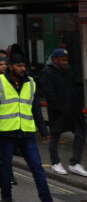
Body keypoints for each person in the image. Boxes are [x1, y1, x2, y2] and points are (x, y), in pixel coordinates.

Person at [0, 53, 52, 202]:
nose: (23, 69)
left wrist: (43, 129)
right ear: (11, 67)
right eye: (19, 66)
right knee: (6, 167)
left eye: (24, 66)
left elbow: (36, 109)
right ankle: (6, 197)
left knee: (38, 169)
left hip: (27, 133)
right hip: (7, 133)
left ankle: (47, 199)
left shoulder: (31, 83)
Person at [40, 48, 87, 176]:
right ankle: (55, 163)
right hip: (59, 111)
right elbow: (48, 93)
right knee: (55, 135)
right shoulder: (47, 72)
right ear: (55, 60)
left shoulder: (69, 70)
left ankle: (75, 163)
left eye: (66, 59)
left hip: (74, 110)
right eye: (63, 59)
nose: (66, 62)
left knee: (81, 133)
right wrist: (58, 108)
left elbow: (73, 88)